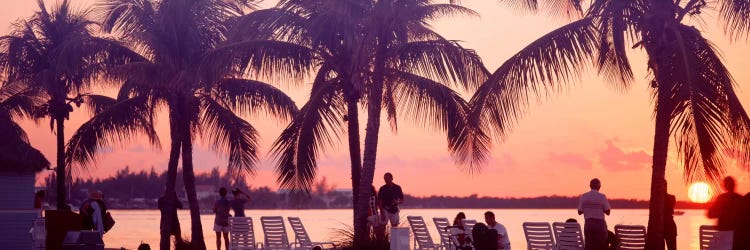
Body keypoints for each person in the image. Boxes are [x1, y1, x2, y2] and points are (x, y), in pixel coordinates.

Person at [707, 176, 743, 250]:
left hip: (724, 239)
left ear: (724, 186)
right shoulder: (741, 199)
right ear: (734, 185)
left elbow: (710, 214)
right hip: (738, 240)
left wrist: (721, 212)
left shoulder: (721, 198)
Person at [578, 178, 611, 250]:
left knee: (589, 246)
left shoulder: (584, 196)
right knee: (602, 245)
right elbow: (608, 212)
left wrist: (588, 208)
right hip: (600, 225)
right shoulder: (602, 196)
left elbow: (579, 212)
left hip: (588, 224)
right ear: (599, 187)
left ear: (590, 186)